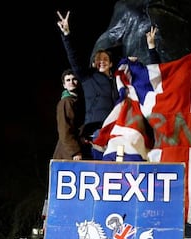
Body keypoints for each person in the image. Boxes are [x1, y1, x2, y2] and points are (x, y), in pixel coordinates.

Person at [56, 10, 160, 159]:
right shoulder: (88, 78)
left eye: (105, 59)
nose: (101, 61)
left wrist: (151, 49)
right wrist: (67, 35)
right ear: (93, 63)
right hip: (97, 131)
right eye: (98, 59)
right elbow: (74, 58)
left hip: (117, 129)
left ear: (111, 63)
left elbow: (151, 75)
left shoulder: (119, 81)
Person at [52, 68, 86, 160]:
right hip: (68, 153)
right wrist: (74, 151)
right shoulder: (66, 102)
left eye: (74, 79)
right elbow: (64, 129)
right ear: (64, 85)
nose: (71, 82)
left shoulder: (77, 101)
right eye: (68, 80)